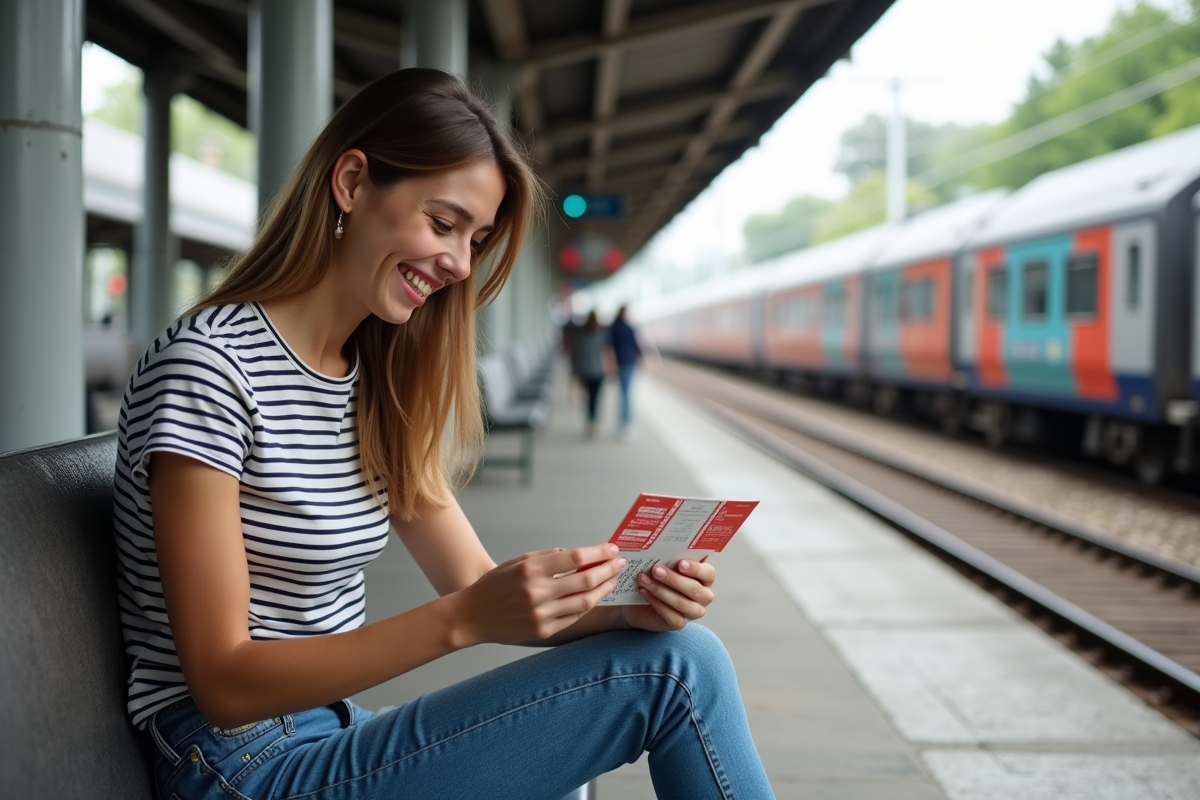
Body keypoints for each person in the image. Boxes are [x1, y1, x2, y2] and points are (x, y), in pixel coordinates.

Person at [112, 68, 773, 800]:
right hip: (237, 766)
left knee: (671, 648)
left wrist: (630, 609)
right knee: (680, 672)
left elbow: (474, 582)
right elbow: (225, 684)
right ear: (354, 182)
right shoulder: (211, 366)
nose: (460, 264)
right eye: (443, 222)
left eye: (476, 238)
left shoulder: (373, 381)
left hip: (328, 732)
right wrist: (462, 620)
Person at [608, 305, 642, 441]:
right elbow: (636, 345)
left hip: (619, 363)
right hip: (629, 362)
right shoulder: (629, 328)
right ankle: (626, 424)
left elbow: (608, 347)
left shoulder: (613, 327)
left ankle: (621, 424)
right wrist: (643, 358)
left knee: (622, 393)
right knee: (627, 394)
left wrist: (611, 363)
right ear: (624, 313)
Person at [572, 311, 607, 439]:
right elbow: (605, 353)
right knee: (595, 399)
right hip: (598, 371)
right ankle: (594, 423)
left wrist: (575, 373)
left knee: (588, 398)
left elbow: (577, 355)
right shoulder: (601, 335)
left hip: (585, 371)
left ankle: (589, 422)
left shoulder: (581, 335)